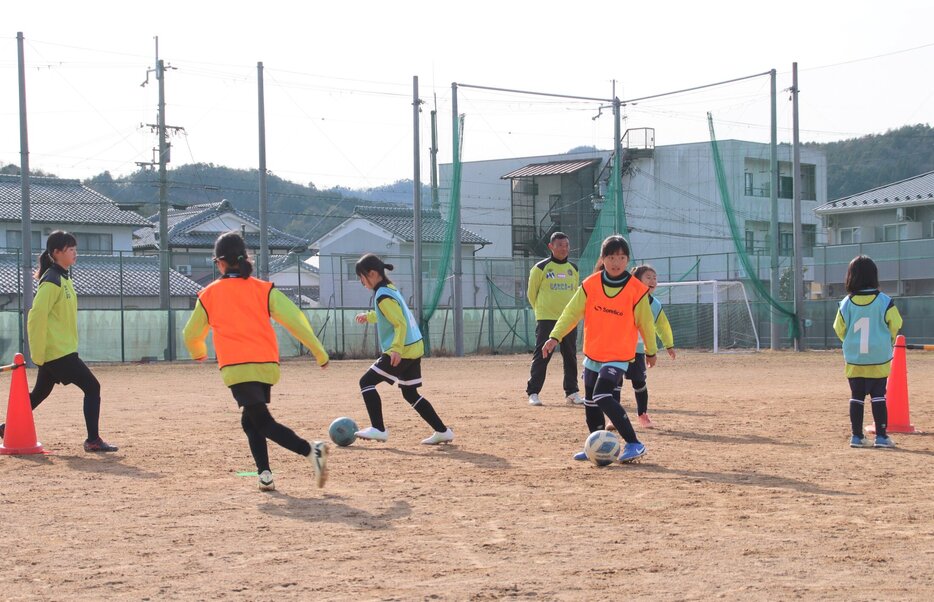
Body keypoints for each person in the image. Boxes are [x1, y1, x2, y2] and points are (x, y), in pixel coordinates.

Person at [183, 232, 329, 492]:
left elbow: (191, 333)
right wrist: (318, 351)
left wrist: (197, 351)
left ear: (220, 263)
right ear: (244, 258)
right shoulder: (264, 289)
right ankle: (265, 475)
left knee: (262, 422)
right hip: (266, 366)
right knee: (250, 421)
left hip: (238, 368)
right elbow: (295, 320)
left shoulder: (209, 294)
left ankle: (311, 451)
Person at [542, 235, 657, 463]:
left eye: (622, 257)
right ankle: (594, 443)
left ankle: (634, 443)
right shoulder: (590, 284)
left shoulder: (636, 289)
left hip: (618, 354)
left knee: (602, 394)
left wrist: (651, 351)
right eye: (612, 257)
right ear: (603, 258)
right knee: (591, 401)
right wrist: (555, 336)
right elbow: (571, 313)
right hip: (593, 353)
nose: (617, 262)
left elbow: (646, 323)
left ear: (627, 260)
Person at [0, 231, 118, 452]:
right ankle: (93, 440)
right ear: (56, 253)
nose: (75, 253)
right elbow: (35, 318)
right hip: (57, 352)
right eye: (70, 249)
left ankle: (6, 428)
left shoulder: (63, 277)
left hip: (60, 351)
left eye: (75, 248)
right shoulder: (51, 281)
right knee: (92, 387)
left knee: (38, 395)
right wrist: (37, 354)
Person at [353, 253, 453, 445]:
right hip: (414, 347)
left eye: (361, 277)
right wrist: (369, 316)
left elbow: (399, 324)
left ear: (372, 274)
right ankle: (443, 431)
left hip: (403, 350)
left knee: (366, 382)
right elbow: (390, 316)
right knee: (410, 393)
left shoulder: (382, 295)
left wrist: (395, 349)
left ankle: (378, 429)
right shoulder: (390, 290)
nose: (361, 282)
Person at [833, 255, 902, 449]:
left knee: (856, 395)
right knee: (879, 395)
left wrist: (850, 343)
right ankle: (881, 437)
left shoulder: (845, 303)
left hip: (854, 358)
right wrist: (886, 340)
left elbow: (839, 328)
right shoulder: (884, 301)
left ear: (850, 277)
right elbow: (896, 324)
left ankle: (856, 437)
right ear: (874, 276)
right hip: (879, 357)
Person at [525, 232, 581, 406]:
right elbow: (531, 294)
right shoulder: (540, 268)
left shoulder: (573, 269)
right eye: (559, 245)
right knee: (542, 354)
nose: (564, 248)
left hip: (569, 320)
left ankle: (572, 392)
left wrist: (573, 315)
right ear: (551, 247)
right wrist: (541, 312)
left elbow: (576, 295)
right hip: (547, 318)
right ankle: (533, 392)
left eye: (566, 245)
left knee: (570, 355)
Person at [620, 265, 676, 428]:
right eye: (648, 277)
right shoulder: (625, 298)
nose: (653, 281)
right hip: (619, 348)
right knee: (615, 383)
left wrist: (669, 345)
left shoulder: (655, 304)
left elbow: (662, 325)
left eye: (655, 278)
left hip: (638, 350)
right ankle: (613, 418)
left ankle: (643, 415)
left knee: (639, 382)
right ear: (636, 281)